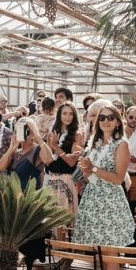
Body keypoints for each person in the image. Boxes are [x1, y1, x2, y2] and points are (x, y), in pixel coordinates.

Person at [75, 102, 134, 270]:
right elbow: (92, 176)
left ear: (118, 120)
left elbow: (118, 178)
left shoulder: (122, 144)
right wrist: (86, 170)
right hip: (94, 201)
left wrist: (94, 169)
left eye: (111, 117)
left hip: (110, 204)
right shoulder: (96, 144)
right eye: (102, 118)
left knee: (110, 259)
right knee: (105, 258)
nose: (106, 121)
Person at [0, 118, 52, 270]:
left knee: (32, 242)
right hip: (13, 202)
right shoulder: (15, 152)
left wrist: (39, 138)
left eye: (27, 129)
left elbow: (49, 160)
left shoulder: (37, 151)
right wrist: (11, 148)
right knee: (11, 240)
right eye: (20, 129)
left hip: (30, 202)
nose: (24, 133)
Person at [38, 101, 82, 243]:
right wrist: (47, 145)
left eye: (71, 114)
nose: (68, 117)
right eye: (64, 113)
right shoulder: (52, 133)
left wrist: (56, 147)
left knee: (63, 222)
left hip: (66, 180)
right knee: (50, 220)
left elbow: (71, 162)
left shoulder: (77, 135)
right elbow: (48, 160)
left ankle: (64, 254)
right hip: (50, 179)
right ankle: (56, 254)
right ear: (59, 114)